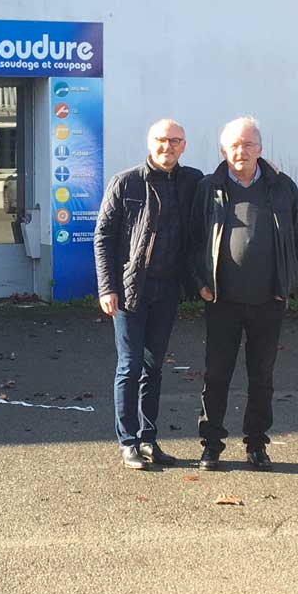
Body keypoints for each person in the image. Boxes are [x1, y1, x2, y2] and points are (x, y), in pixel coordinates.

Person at [191, 116, 298, 471]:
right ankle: (211, 444)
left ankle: (256, 444)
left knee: (262, 377)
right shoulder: (208, 188)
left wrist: (286, 284)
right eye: (235, 145)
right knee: (216, 376)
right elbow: (192, 243)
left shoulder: (282, 186)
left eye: (248, 144)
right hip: (222, 301)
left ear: (260, 148)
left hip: (268, 301)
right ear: (223, 150)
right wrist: (201, 285)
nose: (241, 151)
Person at [94, 119, 204, 470]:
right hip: (130, 290)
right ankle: (127, 443)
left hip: (168, 289)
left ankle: (148, 439)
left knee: (154, 368)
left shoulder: (192, 182)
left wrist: (267, 168)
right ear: (149, 142)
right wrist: (107, 287)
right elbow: (104, 238)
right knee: (130, 366)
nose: (167, 146)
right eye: (161, 140)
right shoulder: (125, 182)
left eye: (175, 141)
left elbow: (228, 181)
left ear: (184, 146)